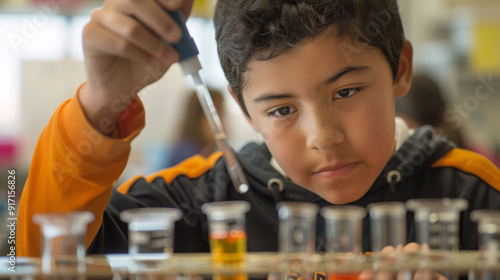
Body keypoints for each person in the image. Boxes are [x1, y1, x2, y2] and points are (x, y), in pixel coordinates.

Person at [17, 0, 500, 267]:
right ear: (245, 110)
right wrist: (102, 106)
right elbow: (36, 257)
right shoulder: (199, 203)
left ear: (400, 69)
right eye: (282, 108)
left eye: (346, 91)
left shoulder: (471, 194)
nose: (322, 137)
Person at [166, 89, 225, 167]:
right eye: (217, 115)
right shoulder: (187, 155)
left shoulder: (204, 150)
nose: (223, 123)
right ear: (198, 118)